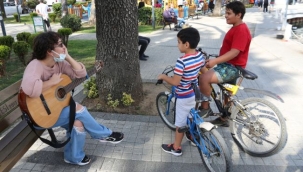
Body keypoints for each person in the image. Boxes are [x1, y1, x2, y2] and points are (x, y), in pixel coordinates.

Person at [20, 32, 124, 165]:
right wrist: (51, 83)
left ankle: (73, 157)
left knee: (78, 124)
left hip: (54, 111)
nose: (64, 47)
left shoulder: (59, 63)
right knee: (78, 109)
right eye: (60, 45)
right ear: (49, 51)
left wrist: (67, 56)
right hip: (39, 116)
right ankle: (103, 134)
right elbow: (29, 89)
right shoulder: (35, 65)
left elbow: (81, 74)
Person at [198, 1, 252, 127]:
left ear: (238, 15)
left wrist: (215, 61)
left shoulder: (241, 30)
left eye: (229, 13)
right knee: (227, 93)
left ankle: (205, 108)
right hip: (229, 65)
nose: (225, 15)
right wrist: (218, 58)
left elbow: (234, 52)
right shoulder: (236, 28)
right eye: (225, 13)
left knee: (204, 78)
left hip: (232, 67)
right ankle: (225, 118)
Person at [158, 27, 206, 156]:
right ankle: (193, 137)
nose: (177, 44)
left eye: (179, 42)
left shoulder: (182, 61)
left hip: (183, 95)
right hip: (195, 93)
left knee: (180, 124)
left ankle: (176, 147)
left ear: (186, 44)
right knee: (191, 116)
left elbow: (175, 82)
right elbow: (204, 70)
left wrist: (163, 77)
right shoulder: (199, 55)